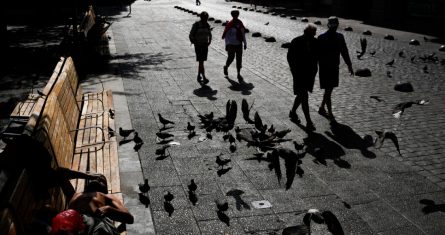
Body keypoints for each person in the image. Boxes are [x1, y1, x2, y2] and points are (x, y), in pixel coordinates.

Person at [51, 177, 134, 235]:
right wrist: (88, 175)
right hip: (74, 225)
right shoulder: (76, 195)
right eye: (96, 178)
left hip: (92, 224)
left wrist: (108, 209)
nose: (97, 179)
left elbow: (130, 219)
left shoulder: (106, 196)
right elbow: (60, 171)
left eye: (101, 179)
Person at [317, 16, 354, 121]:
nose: (334, 26)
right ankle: (330, 113)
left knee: (329, 90)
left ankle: (321, 108)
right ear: (328, 25)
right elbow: (317, 54)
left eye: (335, 24)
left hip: (333, 67)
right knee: (328, 90)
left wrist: (349, 65)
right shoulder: (321, 38)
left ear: (337, 25)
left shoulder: (339, 37)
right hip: (325, 68)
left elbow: (344, 51)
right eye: (332, 24)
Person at [287, 23, 318, 131]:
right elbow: (290, 57)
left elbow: (318, 56)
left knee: (301, 95)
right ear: (306, 32)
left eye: (314, 33)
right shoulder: (296, 41)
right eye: (312, 33)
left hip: (310, 74)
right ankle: (309, 122)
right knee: (304, 96)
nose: (314, 35)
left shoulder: (315, 42)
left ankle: (293, 112)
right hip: (299, 73)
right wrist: (293, 70)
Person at [222, 10, 247, 83]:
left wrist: (245, 43)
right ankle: (226, 66)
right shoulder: (229, 24)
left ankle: (238, 74)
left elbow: (243, 34)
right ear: (232, 16)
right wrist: (227, 45)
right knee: (231, 58)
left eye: (237, 15)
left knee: (239, 59)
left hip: (239, 44)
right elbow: (226, 36)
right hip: (231, 44)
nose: (236, 16)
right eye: (234, 15)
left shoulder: (240, 23)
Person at [189, 11, 212, 85]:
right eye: (204, 18)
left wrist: (210, 41)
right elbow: (191, 35)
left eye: (206, 18)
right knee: (201, 61)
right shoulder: (196, 25)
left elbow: (209, 33)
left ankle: (199, 76)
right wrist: (194, 42)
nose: (205, 19)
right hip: (198, 45)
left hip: (205, 45)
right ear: (201, 17)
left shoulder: (207, 24)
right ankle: (204, 77)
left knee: (201, 62)